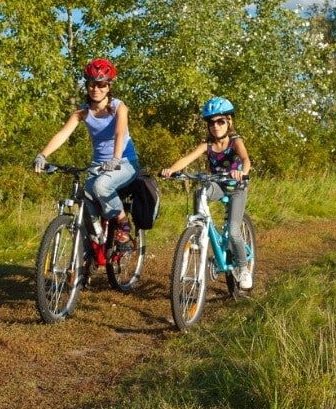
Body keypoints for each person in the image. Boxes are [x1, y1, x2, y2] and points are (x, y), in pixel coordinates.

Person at [33, 58, 139, 248]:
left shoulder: (118, 108)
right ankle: (94, 240)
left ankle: (122, 222)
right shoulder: (82, 112)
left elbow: (119, 133)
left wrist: (115, 159)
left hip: (124, 162)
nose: (95, 89)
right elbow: (63, 134)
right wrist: (43, 155)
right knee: (84, 194)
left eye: (101, 84)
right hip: (98, 165)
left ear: (109, 86)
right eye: (91, 84)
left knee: (100, 186)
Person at [160, 97, 253, 290]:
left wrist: (242, 173)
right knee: (200, 191)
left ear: (229, 121)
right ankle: (198, 226)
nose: (216, 126)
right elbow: (186, 160)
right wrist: (171, 170)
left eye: (220, 121)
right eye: (211, 122)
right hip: (217, 185)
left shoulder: (235, 141)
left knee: (234, 230)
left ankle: (243, 269)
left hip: (236, 187)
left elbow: (245, 159)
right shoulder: (207, 145)